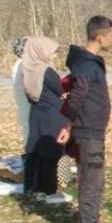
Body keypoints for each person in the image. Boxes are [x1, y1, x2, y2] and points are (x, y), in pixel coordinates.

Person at [66, 15, 112, 223]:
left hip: (94, 131)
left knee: (96, 182)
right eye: (111, 35)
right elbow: (76, 98)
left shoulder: (91, 63)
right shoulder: (87, 65)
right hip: (87, 132)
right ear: (100, 37)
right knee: (90, 182)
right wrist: (69, 123)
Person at [20, 37, 69, 202]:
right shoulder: (46, 71)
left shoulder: (28, 69)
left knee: (35, 152)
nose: (55, 55)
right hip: (51, 115)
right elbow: (61, 90)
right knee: (49, 153)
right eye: (53, 52)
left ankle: (32, 188)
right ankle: (49, 191)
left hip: (36, 114)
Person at [10, 37, 31, 144]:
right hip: (27, 104)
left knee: (27, 129)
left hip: (24, 104)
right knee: (29, 130)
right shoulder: (23, 64)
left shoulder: (18, 64)